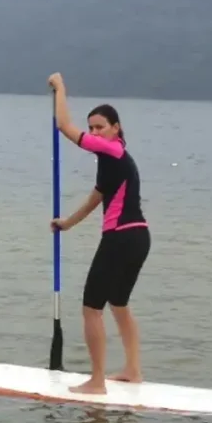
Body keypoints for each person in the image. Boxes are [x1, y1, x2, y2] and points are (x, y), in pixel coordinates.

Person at [47, 72, 150, 395]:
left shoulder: (114, 152)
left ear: (116, 129)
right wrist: (68, 223)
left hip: (120, 238)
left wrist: (61, 88)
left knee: (92, 308)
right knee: (118, 304)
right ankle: (133, 371)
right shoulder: (115, 161)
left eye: (99, 127)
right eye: (90, 128)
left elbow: (64, 126)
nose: (93, 132)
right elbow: (97, 197)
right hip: (138, 238)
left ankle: (96, 382)